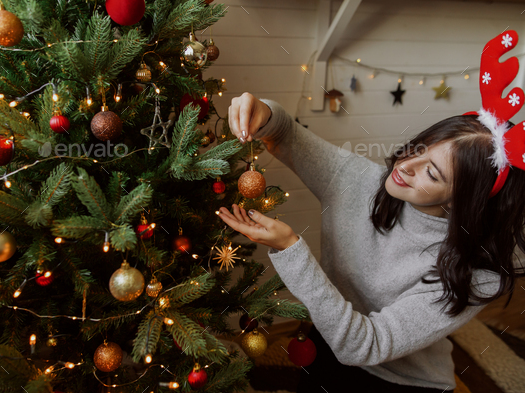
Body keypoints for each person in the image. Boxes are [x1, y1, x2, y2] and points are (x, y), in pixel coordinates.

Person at [217, 30, 525, 392]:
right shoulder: (360, 181)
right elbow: (284, 133)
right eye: (421, 147)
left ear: (462, 201)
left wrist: (290, 249)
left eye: (431, 172)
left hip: (404, 380)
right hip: (332, 339)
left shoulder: (477, 269)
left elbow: (366, 344)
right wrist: (261, 112)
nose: (407, 164)